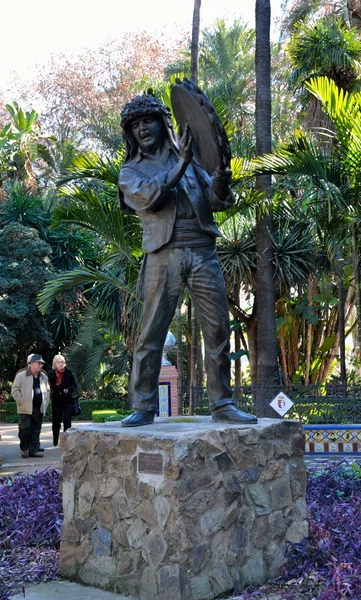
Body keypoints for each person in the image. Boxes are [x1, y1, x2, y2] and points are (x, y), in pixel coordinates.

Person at [118, 94, 257, 427]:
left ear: (162, 123)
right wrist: (182, 163)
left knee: (218, 329)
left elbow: (217, 201)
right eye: (135, 126)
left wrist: (221, 177)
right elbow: (150, 197)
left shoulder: (191, 160)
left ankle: (222, 403)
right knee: (150, 333)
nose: (141, 130)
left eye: (147, 121)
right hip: (162, 255)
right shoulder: (130, 170)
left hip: (202, 251)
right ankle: (144, 405)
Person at [11, 353, 50, 458]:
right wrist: (21, 401)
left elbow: (48, 390)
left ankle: (34, 450)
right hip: (25, 408)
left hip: (38, 408)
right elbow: (14, 390)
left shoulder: (44, 377)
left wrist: (46, 401)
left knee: (36, 430)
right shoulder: (21, 375)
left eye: (41, 364)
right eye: (38, 363)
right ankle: (24, 449)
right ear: (31, 364)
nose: (40, 366)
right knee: (25, 429)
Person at [47, 354, 77, 446]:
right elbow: (47, 386)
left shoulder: (68, 372)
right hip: (56, 400)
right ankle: (55, 439)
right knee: (56, 420)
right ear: (55, 364)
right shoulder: (51, 373)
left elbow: (74, 386)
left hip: (67, 399)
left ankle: (67, 440)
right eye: (58, 362)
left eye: (62, 362)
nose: (60, 364)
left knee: (67, 419)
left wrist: (68, 389)